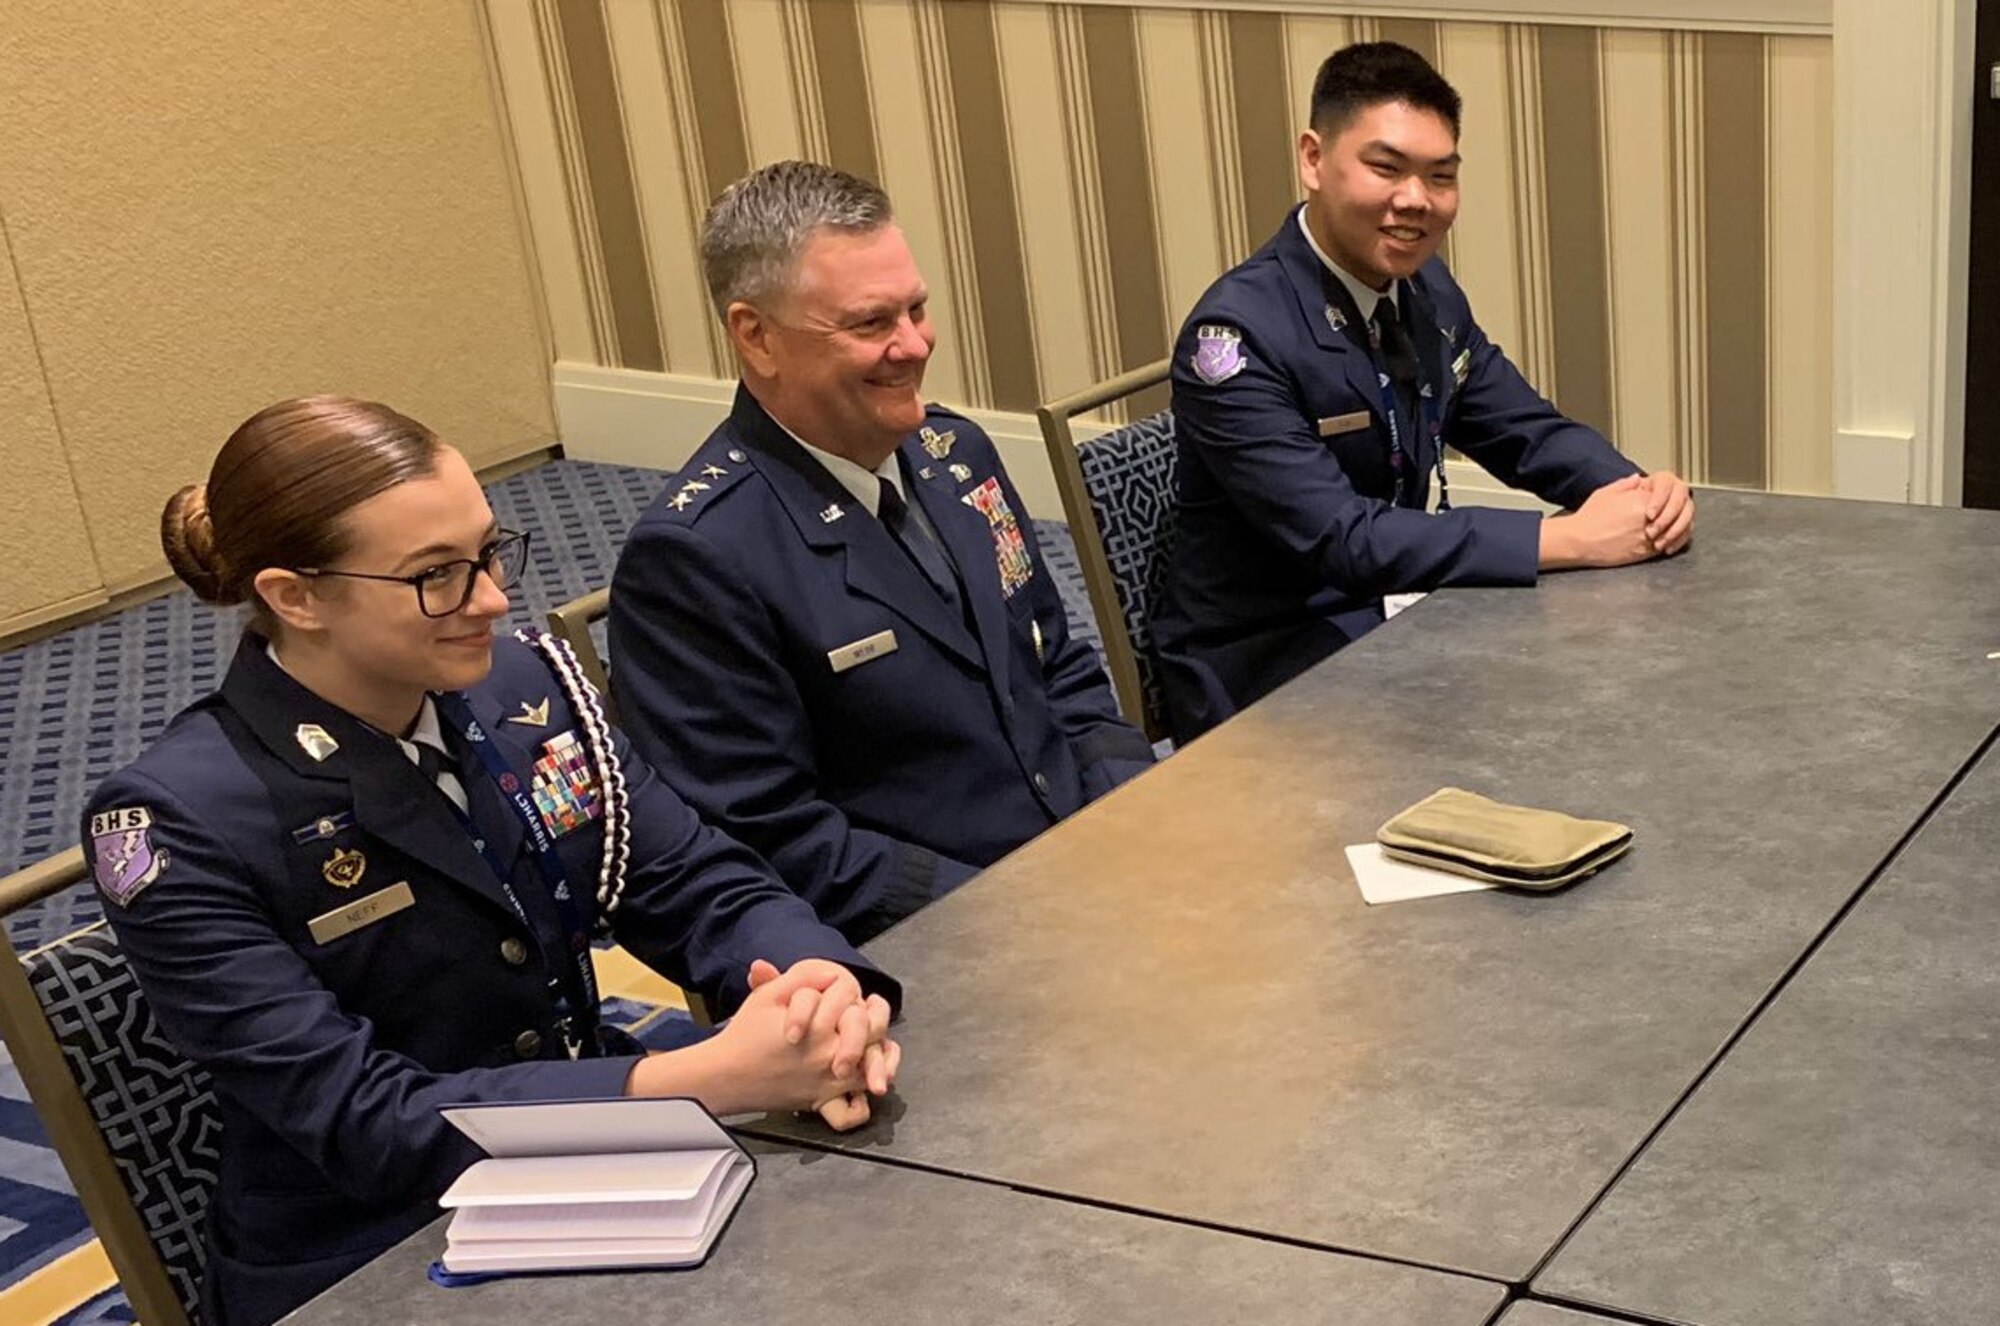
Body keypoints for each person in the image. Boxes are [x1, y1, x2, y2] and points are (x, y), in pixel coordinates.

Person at [84, 396, 902, 1326]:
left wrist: (818, 991)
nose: (492, 599)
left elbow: (692, 877)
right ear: (295, 597)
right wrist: (706, 1080)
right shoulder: (177, 819)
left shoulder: (526, 684)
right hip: (374, 1243)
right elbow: (362, 1117)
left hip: (606, 1160)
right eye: (437, 576)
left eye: (488, 551)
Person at [608, 161, 1153, 943]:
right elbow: (772, 839)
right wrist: (1019, 911)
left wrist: (1131, 806)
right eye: (870, 325)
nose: (913, 346)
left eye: (918, 309)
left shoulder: (955, 455)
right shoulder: (696, 561)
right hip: (932, 940)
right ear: (755, 336)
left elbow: (1056, 665)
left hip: (1078, 880)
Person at [1155, 41, 1696, 743]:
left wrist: (1634, 496)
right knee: (1546, 727)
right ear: (1313, 159)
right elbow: (1340, 539)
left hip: (1389, 615)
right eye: (1386, 168)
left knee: (1619, 683)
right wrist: (1566, 539)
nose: (1415, 201)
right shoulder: (1234, 338)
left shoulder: (1422, 290)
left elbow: (1522, 427)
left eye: (1441, 177)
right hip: (1269, 662)